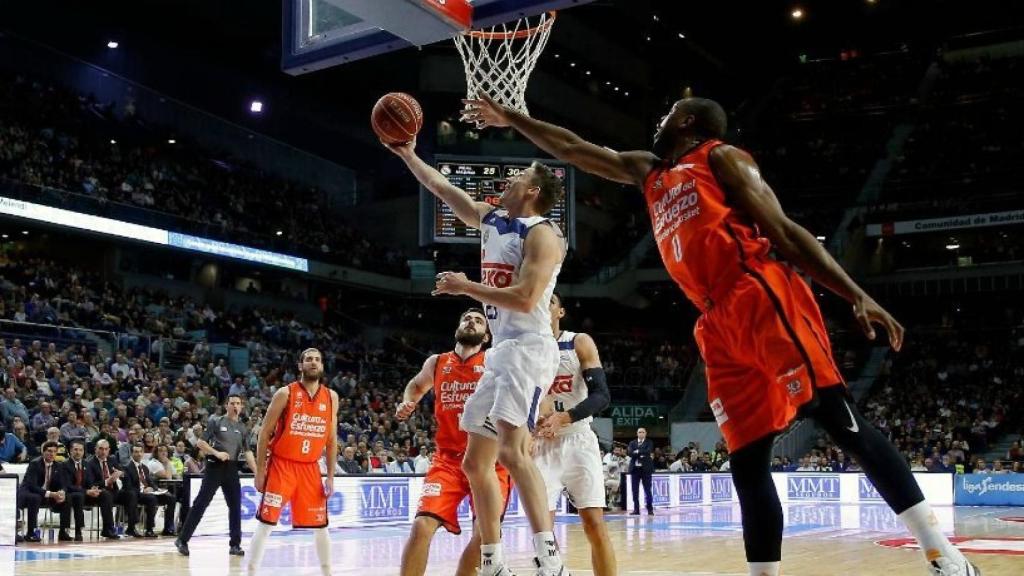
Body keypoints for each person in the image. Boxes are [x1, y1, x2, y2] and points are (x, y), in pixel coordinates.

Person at [462, 93, 980, 576]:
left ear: (688, 122)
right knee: (748, 460)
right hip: (714, 322)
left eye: (669, 113)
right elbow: (574, 149)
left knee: (838, 418)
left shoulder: (720, 158)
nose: (660, 119)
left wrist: (854, 293)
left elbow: (785, 230)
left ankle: (943, 555)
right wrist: (512, 118)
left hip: (757, 291)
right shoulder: (649, 171)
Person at [387, 137, 568, 576]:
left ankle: (550, 560)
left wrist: (465, 286)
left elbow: (526, 298)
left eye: (519, 176)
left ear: (533, 191)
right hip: (503, 351)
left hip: (529, 348)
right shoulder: (491, 219)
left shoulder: (544, 234)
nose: (510, 179)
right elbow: (443, 188)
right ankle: (493, 562)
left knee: (512, 452)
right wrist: (409, 154)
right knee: (474, 461)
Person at [395, 309, 513, 576]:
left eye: (479, 321)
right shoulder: (437, 362)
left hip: (490, 462)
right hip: (448, 461)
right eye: (467, 319)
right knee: (422, 526)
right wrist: (408, 402)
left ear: (486, 336)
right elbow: (416, 386)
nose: (471, 322)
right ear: (457, 328)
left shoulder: (495, 361)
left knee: (484, 536)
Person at [533, 293, 615, 575]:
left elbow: (602, 396)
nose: (544, 303)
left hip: (578, 439)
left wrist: (564, 417)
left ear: (561, 312)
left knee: (594, 524)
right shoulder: (525, 349)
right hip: (542, 444)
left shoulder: (578, 342)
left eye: (550, 301)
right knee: (543, 531)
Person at [248, 348, 338, 576]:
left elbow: (331, 440)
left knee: (321, 526)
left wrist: (330, 477)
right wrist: (260, 471)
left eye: (317, 359)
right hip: (282, 465)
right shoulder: (285, 393)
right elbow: (264, 433)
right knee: (266, 523)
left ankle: (328, 573)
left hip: (310, 468)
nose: (313, 363)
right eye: (308, 359)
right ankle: (250, 572)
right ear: (300, 365)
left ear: (322, 365)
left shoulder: (331, 397)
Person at [176, 393, 257, 556]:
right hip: (215, 466)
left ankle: (235, 545)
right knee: (201, 503)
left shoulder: (242, 428)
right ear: (226, 405)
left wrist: (257, 472)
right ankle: (182, 540)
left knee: (235, 507)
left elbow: (248, 452)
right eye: (232, 403)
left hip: (231, 468)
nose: (235, 406)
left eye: (238, 403)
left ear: (241, 406)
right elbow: (201, 443)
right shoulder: (216, 422)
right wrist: (216, 453)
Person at [62, 439, 119, 540]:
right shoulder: (64, 465)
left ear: (84, 451)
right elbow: (67, 485)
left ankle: (108, 528)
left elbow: (90, 482)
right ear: (70, 451)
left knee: (105, 494)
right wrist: (87, 491)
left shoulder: (86, 464)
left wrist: (94, 489)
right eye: (75, 449)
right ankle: (78, 531)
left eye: (81, 450)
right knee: (78, 496)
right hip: (72, 494)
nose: (78, 452)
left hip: (87, 494)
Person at [17, 441, 70, 542]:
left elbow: (63, 483)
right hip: (29, 493)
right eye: (49, 451)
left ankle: (63, 532)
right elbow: (32, 486)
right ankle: (30, 533)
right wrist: (51, 494)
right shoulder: (35, 464)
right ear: (43, 452)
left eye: (54, 451)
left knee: (67, 498)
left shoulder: (59, 466)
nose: (52, 454)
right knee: (35, 498)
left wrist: (62, 492)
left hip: (47, 495)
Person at [124, 444, 176, 537]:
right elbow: (128, 486)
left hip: (149, 492)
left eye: (140, 452)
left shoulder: (144, 467)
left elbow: (150, 482)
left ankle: (168, 528)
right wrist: (143, 490)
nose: (139, 454)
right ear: (131, 453)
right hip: (136, 494)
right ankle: (149, 529)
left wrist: (155, 489)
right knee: (151, 498)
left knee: (171, 498)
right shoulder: (127, 467)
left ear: (143, 453)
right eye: (136, 452)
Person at [626, 428, 654, 515]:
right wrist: (641, 453)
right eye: (639, 432)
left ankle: (650, 509)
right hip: (635, 469)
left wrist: (637, 451)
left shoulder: (649, 442)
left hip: (646, 469)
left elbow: (648, 451)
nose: (641, 433)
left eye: (643, 432)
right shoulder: (632, 443)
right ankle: (636, 509)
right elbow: (630, 453)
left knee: (647, 490)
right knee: (635, 490)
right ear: (637, 433)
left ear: (645, 433)